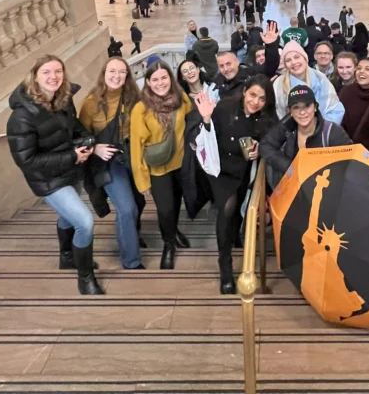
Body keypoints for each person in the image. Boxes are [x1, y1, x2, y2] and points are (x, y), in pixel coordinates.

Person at [6, 55, 103, 295]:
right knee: (85, 222)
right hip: (48, 179)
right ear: (35, 77)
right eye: (47, 72)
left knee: (68, 216)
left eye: (58, 71)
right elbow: (27, 161)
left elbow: (76, 128)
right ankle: (85, 278)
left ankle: (67, 257)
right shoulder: (21, 117)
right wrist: (73, 156)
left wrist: (87, 140)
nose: (54, 77)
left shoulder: (63, 100)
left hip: (71, 170)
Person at [189, 77, 276, 293]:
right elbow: (201, 136)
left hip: (243, 170)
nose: (255, 102)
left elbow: (271, 141)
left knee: (238, 206)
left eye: (262, 99)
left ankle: (236, 235)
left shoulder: (266, 119)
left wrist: (259, 149)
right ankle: (225, 264)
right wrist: (206, 119)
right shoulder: (224, 108)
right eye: (252, 95)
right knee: (227, 208)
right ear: (244, 92)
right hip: (219, 169)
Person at [79, 58, 143, 271]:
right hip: (109, 161)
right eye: (112, 71)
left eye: (122, 72)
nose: (117, 76)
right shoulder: (91, 102)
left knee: (139, 201)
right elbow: (80, 136)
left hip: (133, 155)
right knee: (126, 208)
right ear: (104, 73)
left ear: (127, 76)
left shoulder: (134, 97)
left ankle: (132, 235)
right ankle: (131, 260)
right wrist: (96, 148)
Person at [129, 61, 192, 270]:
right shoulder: (141, 108)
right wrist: (142, 180)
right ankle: (169, 244)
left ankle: (173, 231)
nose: (160, 83)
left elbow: (192, 121)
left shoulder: (181, 98)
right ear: (147, 82)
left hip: (181, 164)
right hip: (158, 168)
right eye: (155, 79)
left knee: (176, 204)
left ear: (170, 78)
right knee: (165, 209)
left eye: (164, 77)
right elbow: (136, 146)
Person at [260, 84, 353, 188]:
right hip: (296, 190)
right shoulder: (287, 126)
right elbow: (265, 146)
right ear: (290, 111)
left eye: (307, 105)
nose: (302, 112)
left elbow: (350, 163)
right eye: (296, 107)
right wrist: (290, 167)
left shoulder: (333, 132)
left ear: (315, 106)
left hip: (326, 191)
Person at [212, 21, 281, 97]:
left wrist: (271, 45)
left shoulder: (250, 74)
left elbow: (270, 66)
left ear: (237, 62)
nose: (226, 69)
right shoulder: (217, 83)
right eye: (221, 66)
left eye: (228, 64)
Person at [340, 58, 369, 151]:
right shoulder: (346, 91)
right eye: (359, 68)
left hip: (367, 153)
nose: (361, 72)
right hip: (343, 147)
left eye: (367, 69)